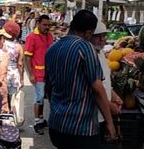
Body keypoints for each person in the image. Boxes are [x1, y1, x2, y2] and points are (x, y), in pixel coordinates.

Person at [45, 10, 117, 148]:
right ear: (88, 32)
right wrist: (109, 122)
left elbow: (48, 87)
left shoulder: (52, 49)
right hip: (81, 129)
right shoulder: (84, 47)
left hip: (57, 125)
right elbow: (97, 88)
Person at [89, 21, 123, 142]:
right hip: (92, 117)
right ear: (89, 36)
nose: (102, 40)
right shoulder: (90, 56)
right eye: (98, 37)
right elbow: (95, 90)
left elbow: (105, 82)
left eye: (104, 36)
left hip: (102, 114)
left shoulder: (101, 53)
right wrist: (110, 106)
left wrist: (114, 96)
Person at [24, 14, 54, 135]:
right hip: (38, 73)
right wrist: (31, 74)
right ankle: (37, 122)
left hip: (49, 73)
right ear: (38, 24)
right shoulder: (32, 37)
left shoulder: (50, 35)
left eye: (48, 25)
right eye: (44, 25)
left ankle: (41, 119)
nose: (47, 27)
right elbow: (27, 57)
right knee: (39, 97)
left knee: (44, 98)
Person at [2, 21, 24, 109]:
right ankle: (10, 112)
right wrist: (22, 79)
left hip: (2, 72)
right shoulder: (18, 47)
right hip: (13, 75)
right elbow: (20, 64)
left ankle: (2, 111)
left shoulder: (1, 44)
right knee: (11, 96)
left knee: (2, 95)